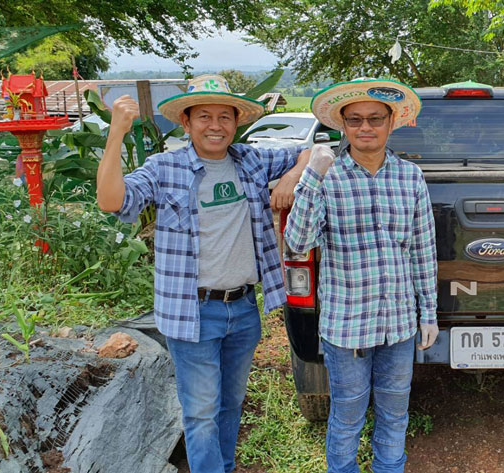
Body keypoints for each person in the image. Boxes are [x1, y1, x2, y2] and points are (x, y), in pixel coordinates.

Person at [95, 74, 310, 473]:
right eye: (205, 116)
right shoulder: (165, 167)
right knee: (201, 412)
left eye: (225, 117)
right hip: (192, 312)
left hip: (244, 309)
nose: (216, 125)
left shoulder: (252, 160)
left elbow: (313, 152)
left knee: (231, 404)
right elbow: (111, 200)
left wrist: (293, 176)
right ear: (187, 122)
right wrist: (117, 132)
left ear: (236, 121)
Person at [286, 78, 438, 473]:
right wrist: (312, 174)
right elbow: (298, 241)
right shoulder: (327, 177)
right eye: (355, 120)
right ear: (343, 126)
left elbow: (422, 252)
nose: (365, 127)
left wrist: (429, 314)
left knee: (394, 415)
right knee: (347, 418)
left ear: (391, 122)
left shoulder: (410, 178)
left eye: (375, 118)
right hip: (346, 328)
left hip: (399, 325)